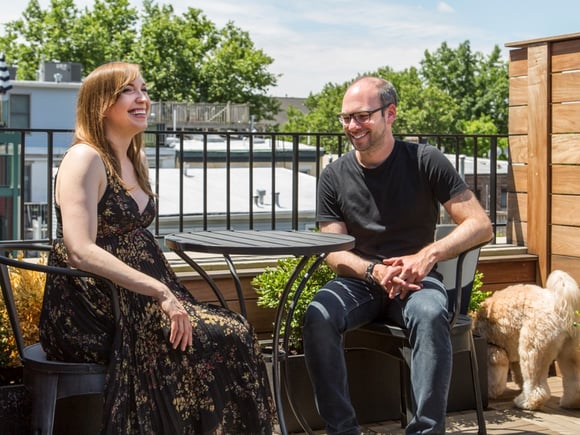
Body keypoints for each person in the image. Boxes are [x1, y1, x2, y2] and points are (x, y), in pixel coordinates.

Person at [39, 61, 276, 434]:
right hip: (93, 308)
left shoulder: (134, 157)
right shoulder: (85, 159)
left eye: (145, 90)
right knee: (222, 336)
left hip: (136, 298)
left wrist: (159, 292)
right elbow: (80, 250)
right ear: (102, 103)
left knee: (236, 330)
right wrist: (159, 290)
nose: (143, 98)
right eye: (130, 90)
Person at [302, 76, 493, 435]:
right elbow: (333, 250)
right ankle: (341, 430)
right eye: (345, 118)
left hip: (417, 281)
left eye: (361, 116)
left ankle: (425, 432)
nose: (351, 126)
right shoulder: (333, 176)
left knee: (431, 312)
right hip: (360, 281)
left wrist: (427, 256)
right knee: (318, 315)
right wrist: (373, 271)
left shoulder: (425, 160)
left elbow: (480, 225)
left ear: (390, 114)